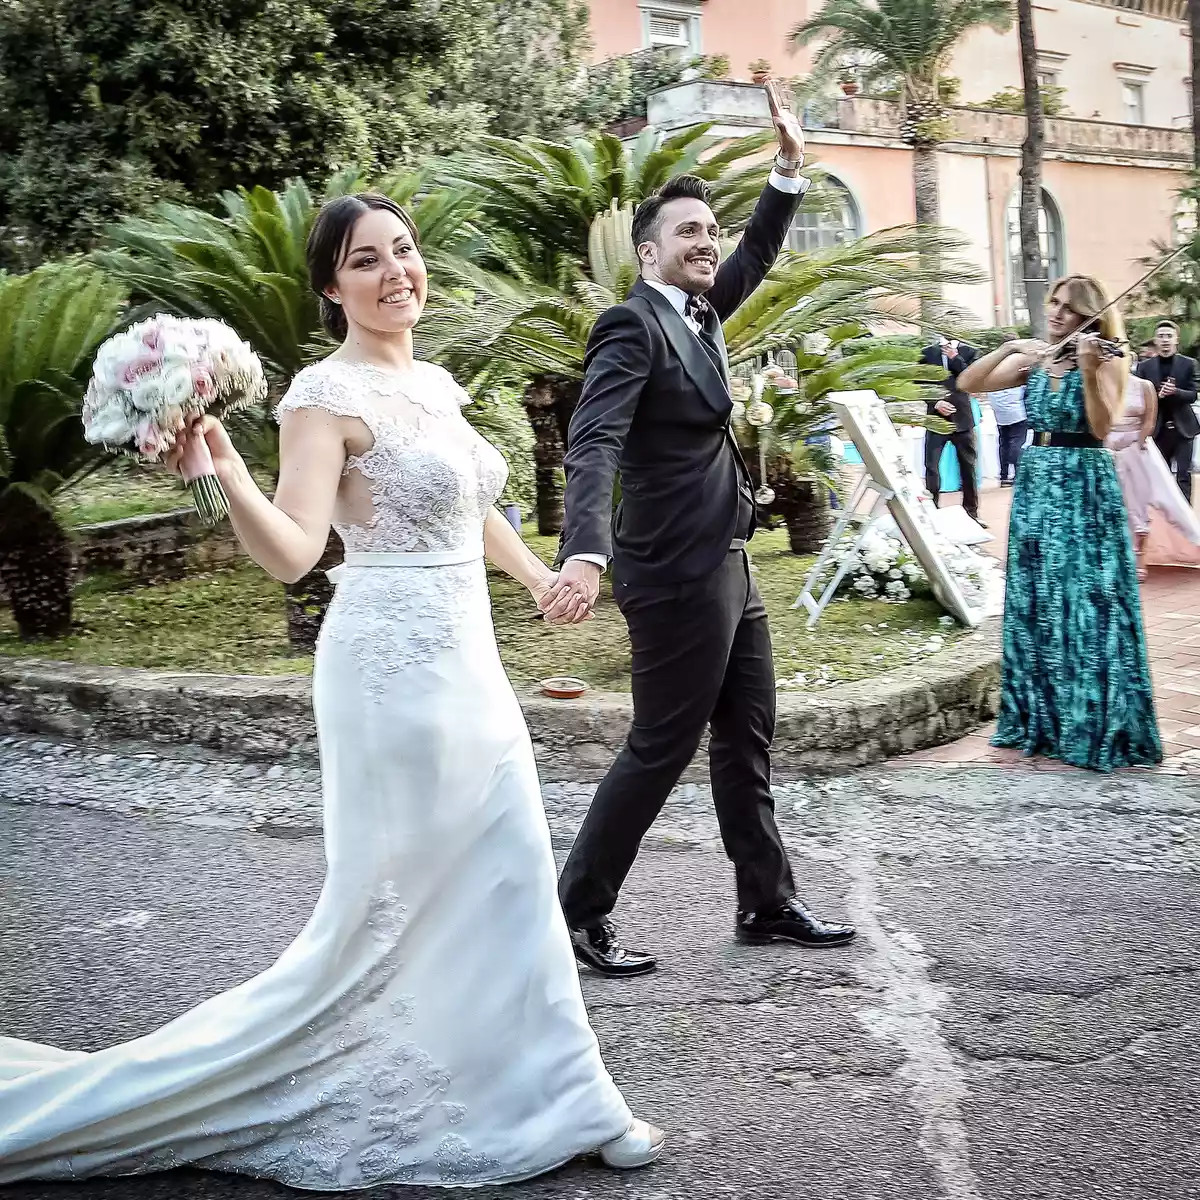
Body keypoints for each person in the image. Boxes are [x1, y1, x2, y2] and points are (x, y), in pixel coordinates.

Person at [0, 194, 664, 1187]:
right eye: (366, 260)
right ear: (330, 287)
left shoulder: (433, 382)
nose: (396, 271)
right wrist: (226, 467)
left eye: (404, 250)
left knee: (507, 873)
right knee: (398, 901)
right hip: (387, 665)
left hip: (469, 658)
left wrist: (533, 578)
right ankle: (545, 1095)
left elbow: (466, 504)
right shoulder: (322, 395)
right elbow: (294, 552)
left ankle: (557, 1094)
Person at [539, 80, 856, 979]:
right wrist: (586, 551)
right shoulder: (630, 327)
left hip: (728, 560)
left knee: (747, 732)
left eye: (710, 233)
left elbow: (755, 247)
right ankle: (575, 912)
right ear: (648, 253)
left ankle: (766, 900)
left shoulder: (703, 310)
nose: (707, 244)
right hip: (671, 569)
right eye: (688, 233)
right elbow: (592, 440)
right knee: (660, 745)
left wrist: (789, 169)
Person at [958, 275, 1162, 772]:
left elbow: (1099, 427)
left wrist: (1091, 370)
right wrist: (1008, 345)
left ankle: (1089, 721)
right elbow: (969, 383)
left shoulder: (1110, 360)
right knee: (1040, 599)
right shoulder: (1039, 360)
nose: (1055, 314)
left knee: (1086, 602)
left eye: (1067, 309)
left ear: (1088, 316)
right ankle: (1042, 720)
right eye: (1053, 304)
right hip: (1036, 484)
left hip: (1084, 485)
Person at [1107, 371, 1200, 579]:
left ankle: (1139, 555)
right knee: (1110, 506)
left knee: (1140, 503)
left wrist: (1134, 445)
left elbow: (1149, 421)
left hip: (1137, 449)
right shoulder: (1097, 384)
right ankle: (1115, 556)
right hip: (1107, 451)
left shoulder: (1143, 386)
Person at [920, 335, 983, 523]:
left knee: (968, 467)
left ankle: (971, 513)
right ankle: (932, 512)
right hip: (936, 419)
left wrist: (955, 358)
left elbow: (972, 379)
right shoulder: (927, 353)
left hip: (962, 419)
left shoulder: (969, 352)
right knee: (931, 466)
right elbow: (918, 382)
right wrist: (935, 402)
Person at [1136, 320, 1198, 502]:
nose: (1165, 340)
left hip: (1184, 430)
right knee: (1158, 475)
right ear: (1155, 340)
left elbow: (1193, 394)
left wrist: (1175, 392)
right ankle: (1162, 516)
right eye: (1161, 336)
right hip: (1157, 429)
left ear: (1176, 340)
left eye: (1169, 336)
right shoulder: (1145, 367)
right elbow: (1140, 396)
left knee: (1183, 476)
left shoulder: (1189, 364)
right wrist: (1156, 396)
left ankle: (1186, 519)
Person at [988, 379, 1028, 488]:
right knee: (1017, 444)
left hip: (1000, 416)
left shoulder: (993, 382)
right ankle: (1018, 474)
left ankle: (1004, 476)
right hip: (1018, 415)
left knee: (1003, 446)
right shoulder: (1014, 379)